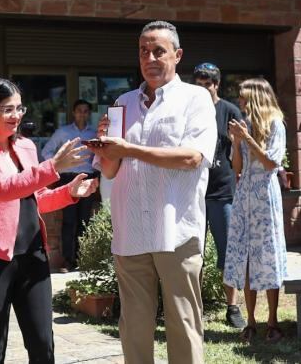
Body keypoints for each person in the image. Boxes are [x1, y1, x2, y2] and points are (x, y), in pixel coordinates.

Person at [87, 21, 216, 363]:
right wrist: (105, 147)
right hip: (131, 227)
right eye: (144, 51)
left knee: (183, 321)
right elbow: (111, 169)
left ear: (178, 55)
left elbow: (192, 157)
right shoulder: (123, 102)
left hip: (176, 228)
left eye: (159, 51)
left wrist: (129, 149)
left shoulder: (196, 98)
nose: (150, 58)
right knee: (133, 325)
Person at [0, 78, 98, 363]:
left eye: (20, 108)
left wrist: (70, 192)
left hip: (33, 256)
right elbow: (2, 189)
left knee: (43, 345)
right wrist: (53, 166)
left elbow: (36, 199)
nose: (17, 115)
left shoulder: (26, 147)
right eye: (7, 109)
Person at [224, 78, 287, 343]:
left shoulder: (275, 124)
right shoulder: (244, 124)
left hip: (265, 195)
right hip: (244, 195)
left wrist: (247, 138)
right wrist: (236, 142)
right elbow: (237, 167)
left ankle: (272, 321)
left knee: (267, 255)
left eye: (243, 96)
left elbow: (271, 162)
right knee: (247, 258)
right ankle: (251, 321)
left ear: (256, 97)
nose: (239, 101)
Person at [193, 62, 246, 329]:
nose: (203, 89)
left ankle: (232, 307)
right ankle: (194, 308)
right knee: (193, 254)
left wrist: (237, 142)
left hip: (222, 190)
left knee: (227, 252)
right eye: (199, 85)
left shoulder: (229, 111)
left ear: (217, 84)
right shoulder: (189, 109)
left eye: (208, 84)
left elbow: (241, 152)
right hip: (192, 191)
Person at [41, 99, 101, 273]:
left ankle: (83, 259)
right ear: (73, 113)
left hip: (87, 178)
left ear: (89, 114)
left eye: (85, 111)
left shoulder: (94, 134)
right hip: (68, 178)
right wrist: (58, 167)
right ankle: (67, 261)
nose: (82, 114)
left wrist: (97, 171)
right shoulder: (63, 132)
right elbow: (46, 151)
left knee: (85, 221)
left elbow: (100, 156)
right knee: (68, 221)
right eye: (79, 110)